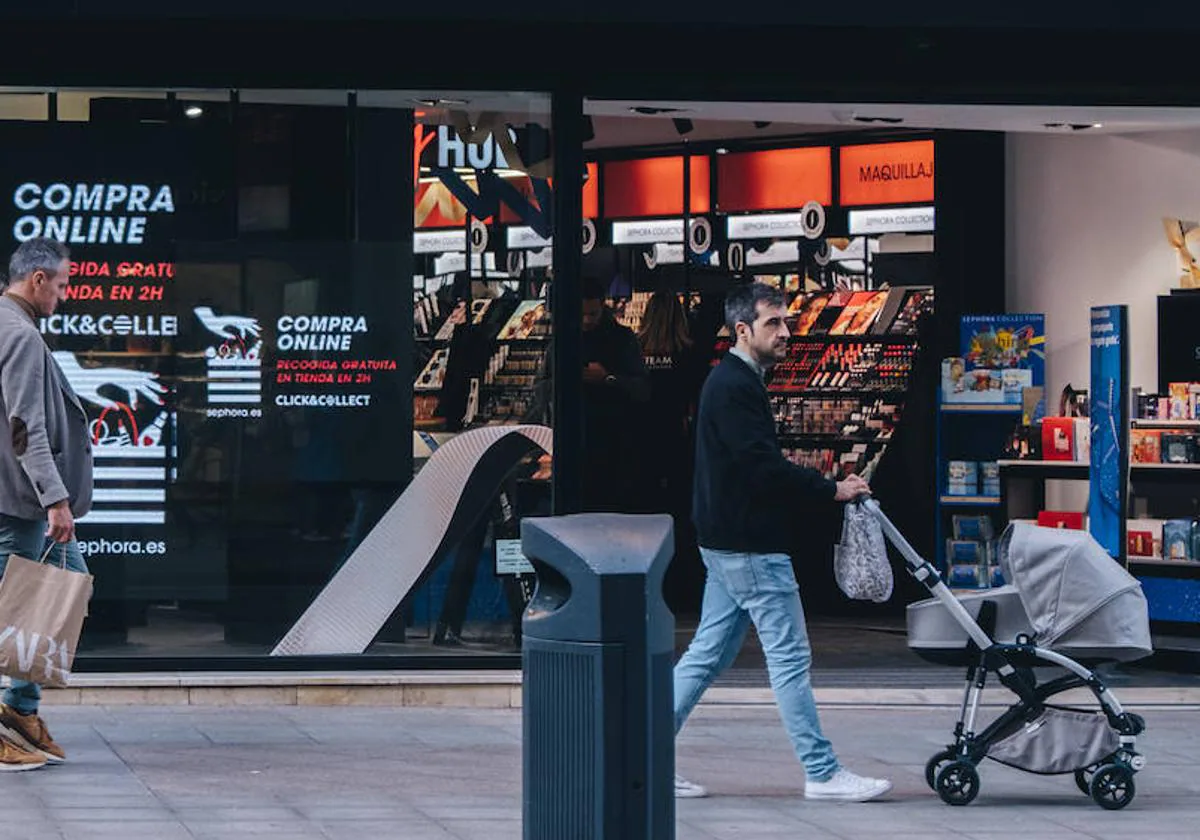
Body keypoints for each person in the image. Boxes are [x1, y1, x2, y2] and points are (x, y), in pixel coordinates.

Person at [672, 281, 892, 803]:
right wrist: (831, 488)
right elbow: (761, 468)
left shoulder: (731, 382)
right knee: (789, 659)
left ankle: (641, 756)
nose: (786, 332)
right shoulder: (735, 387)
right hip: (751, 547)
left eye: (786, 321)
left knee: (705, 655)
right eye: (774, 323)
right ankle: (822, 772)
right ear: (743, 330)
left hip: (725, 542)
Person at [0, 237, 93, 771]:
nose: (64, 292)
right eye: (61, 283)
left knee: (60, 598)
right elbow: (23, 428)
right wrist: (55, 499)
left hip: (20, 501)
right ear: (37, 280)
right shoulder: (19, 335)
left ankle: (19, 709)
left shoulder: (12, 326)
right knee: (22, 612)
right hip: (20, 504)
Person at [579, 277, 649, 511]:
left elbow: (641, 388)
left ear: (603, 307)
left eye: (592, 314)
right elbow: (544, 382)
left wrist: (609, 379)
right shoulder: (564, 339)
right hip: (579, 440)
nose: (587, 321)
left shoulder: (622, 339)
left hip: (616, 443)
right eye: (583, 314)